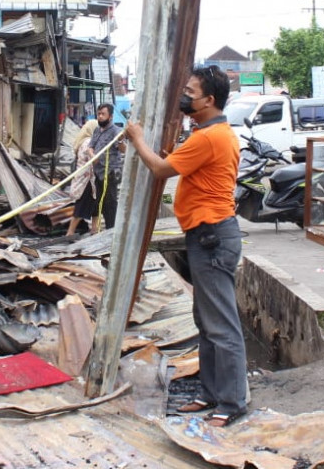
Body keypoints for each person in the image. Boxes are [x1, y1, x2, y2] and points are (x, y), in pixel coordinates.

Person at [125, 65, 247, 428]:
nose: (186, 96)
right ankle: (211, 392)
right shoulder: (211, 133)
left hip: (212, 236)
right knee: (207, 320)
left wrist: (137, 138)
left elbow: (161, 170)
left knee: (221, 324)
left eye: (191, 92)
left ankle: (231, 401)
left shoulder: (209, 138)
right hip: (208, 234)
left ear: (209, 100)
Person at [65, 103, 123, 236]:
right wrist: (93, 155)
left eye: (103, 114)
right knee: (96, 203)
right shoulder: (97, 131)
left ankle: (110, 232)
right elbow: (91, 147)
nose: (100, 117)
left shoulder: (116, 132)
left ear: (111, 116)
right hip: (95, 175)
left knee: (110, 204)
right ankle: (94, 230)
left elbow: (123, 149)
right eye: (99, 114)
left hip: (109, 173)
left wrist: (121, 142)